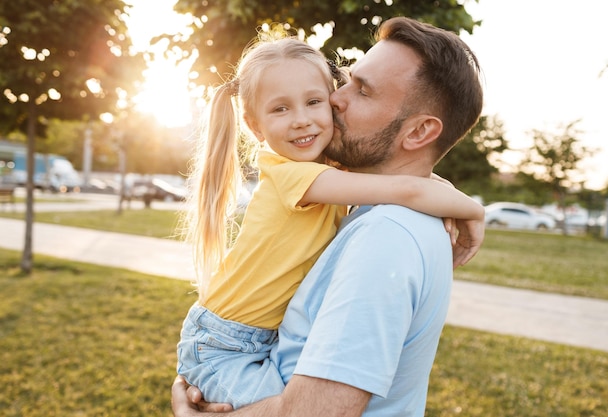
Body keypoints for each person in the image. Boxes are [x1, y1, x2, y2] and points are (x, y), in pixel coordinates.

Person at [176, 27, 484, 412]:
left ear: (420, 130)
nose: (336, 99)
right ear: (255, 125)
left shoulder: (386, 237)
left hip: (236, 342)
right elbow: (409, 187)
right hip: (228, 339)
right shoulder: (345, 189)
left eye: (362, 90)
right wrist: (463, 204)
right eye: (347, 81)